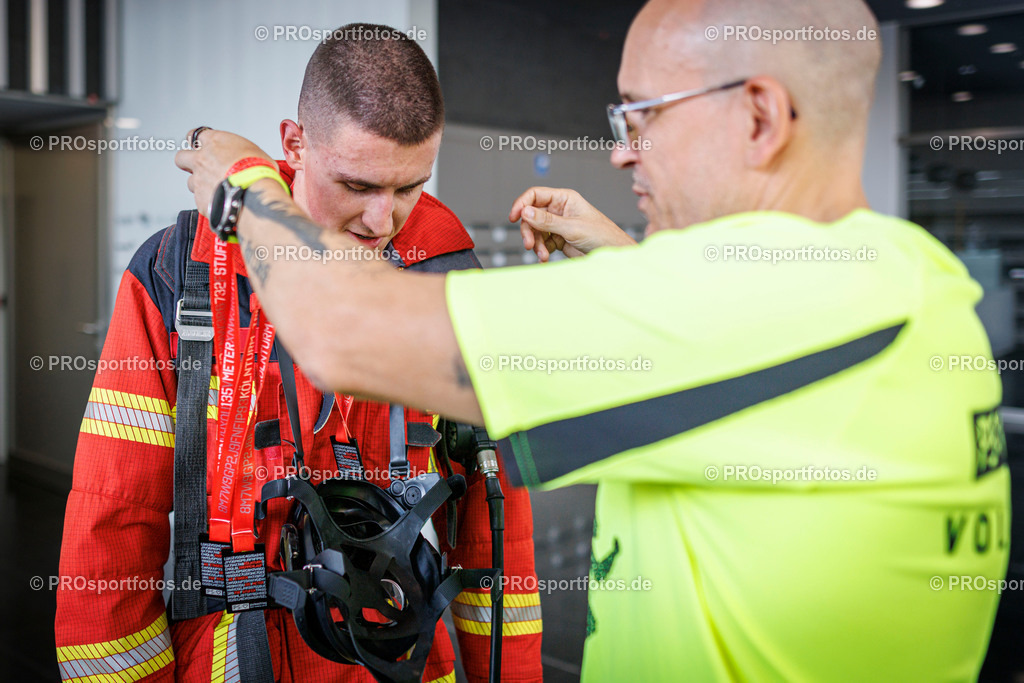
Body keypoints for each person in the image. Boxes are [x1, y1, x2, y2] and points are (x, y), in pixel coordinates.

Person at [179, 0, 1010, 680]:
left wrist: (245, 185)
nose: (620, 149)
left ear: (759, 115)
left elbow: (337, 330)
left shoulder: (742, 306)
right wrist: (627, 262)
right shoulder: (910, 278)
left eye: (641, 114)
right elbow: (736, 361)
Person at [56, 24, 543, 683]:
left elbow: (495, 527)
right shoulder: (182, 271)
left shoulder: (447, 269)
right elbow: (113, 517)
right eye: (359, 185)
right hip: (238, 655)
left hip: (400, 655)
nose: (384, 220)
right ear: (294, 143)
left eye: (408, 188)